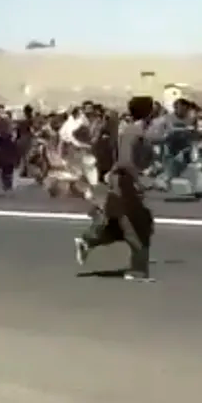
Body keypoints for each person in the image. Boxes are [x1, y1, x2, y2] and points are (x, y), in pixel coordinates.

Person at [74, 96, 156, 282]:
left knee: (130, 225)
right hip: (124, 185)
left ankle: (89, 240)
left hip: (126, 184)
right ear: (149, 111)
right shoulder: (132, 132)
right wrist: (140, 179)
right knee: (137, 227)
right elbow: (125, 162)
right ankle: (137, 270)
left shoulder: (139, 131)